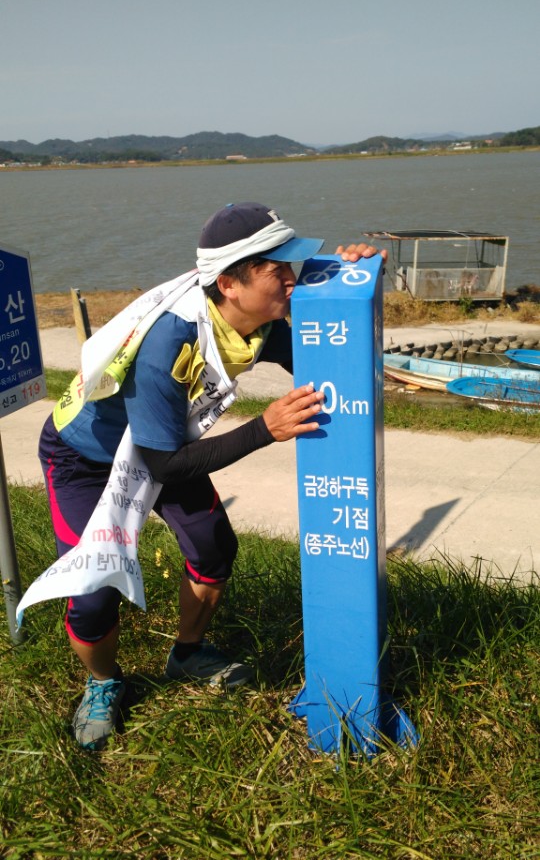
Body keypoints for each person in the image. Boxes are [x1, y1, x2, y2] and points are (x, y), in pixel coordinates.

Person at [37, 201, 385, 751]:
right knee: (93, 586)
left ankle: (188, 653)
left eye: (295, 268)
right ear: (229, 284)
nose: (293, 282)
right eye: (280, 271)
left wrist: (350, 279)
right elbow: (162, 466)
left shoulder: (257, 321)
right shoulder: (169, 346)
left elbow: (333, 358)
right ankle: (103, 682)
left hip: (160, 444)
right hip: (86, 458)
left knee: (214, 546)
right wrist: (262, 430)